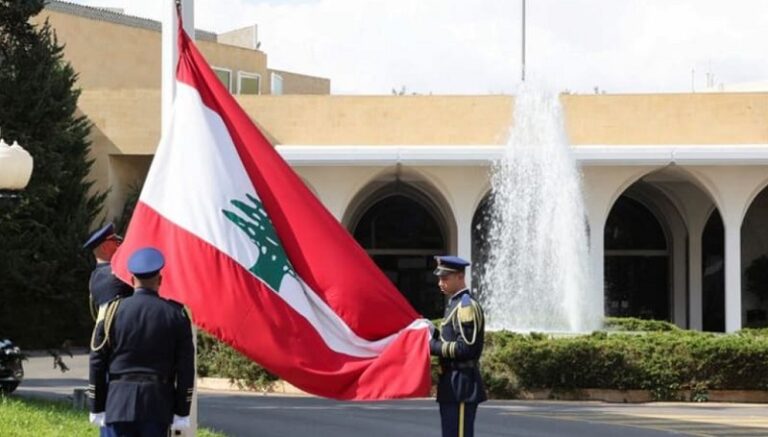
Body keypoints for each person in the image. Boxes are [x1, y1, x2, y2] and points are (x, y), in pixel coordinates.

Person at [88, 247, 195, 436]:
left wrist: (96, 405)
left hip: (118, 404)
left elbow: (97, 360)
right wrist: (181, 411)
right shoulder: (175, 315)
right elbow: (185, 368)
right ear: (160, 281)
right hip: (157, 405)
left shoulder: (113, 312)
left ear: (131, 281)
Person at [429, 255, 486, 437]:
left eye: (445, 278)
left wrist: (432, 346)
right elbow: (451, 338)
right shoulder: (454, 304)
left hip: (462, 383)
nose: (440, 282)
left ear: (460, 277)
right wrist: (432, 332)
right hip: (452, 381)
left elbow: (466, 348)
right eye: (439, 278)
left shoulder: (466, 306)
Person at [83, 223, 133, 320]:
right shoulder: (117, 273)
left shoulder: (96, 276)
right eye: (116, 241)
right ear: (104, 248)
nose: (119, 245)